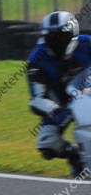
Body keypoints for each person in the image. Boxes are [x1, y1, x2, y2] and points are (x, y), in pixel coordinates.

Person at [27, 11, 91, 177]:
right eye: (51, 37)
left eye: (60, 37)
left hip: (88, 93)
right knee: (47, 143)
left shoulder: (87, 44)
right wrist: (55, 110)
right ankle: (76, 156)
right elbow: (37, 98)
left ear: (72, 33)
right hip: (62, 105)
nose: (56, 42)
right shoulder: (37, 59)